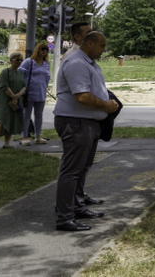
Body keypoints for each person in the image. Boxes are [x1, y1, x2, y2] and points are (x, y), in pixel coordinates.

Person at [53, 32, 119, 231]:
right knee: (71, 171)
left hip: (86, 123)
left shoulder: (88, 63)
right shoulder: (76, 63)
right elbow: (82, 96)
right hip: (76, 123)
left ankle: (77, 207)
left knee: (81, 169)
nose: (104, 50)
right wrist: (106, 106)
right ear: (89, 44)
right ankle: (65, 218)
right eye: (102, 45)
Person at [0, 52, 26, 150]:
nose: (19, 61)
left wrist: (18, 95)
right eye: (17, 59)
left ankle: (6, 144)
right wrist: (13, 96)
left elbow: (24, 86)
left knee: (11, 121)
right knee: (2, 121)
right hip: (5, 99)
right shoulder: (5, 72)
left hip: (16, 100)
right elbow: (4, 86)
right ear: (11, 61)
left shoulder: (21, 73)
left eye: (21, 60)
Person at [19, 42, 51, 145]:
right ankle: (25, 137)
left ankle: (38, 136)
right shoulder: (29, 62)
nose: (45, 51)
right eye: (42, 49)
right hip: (29, 93)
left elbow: (47, 77)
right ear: (37, 50)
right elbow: (20, 74)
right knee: (26, 115)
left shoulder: (46, 63)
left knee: (39, 115)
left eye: (46, 50)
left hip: (41, 93)